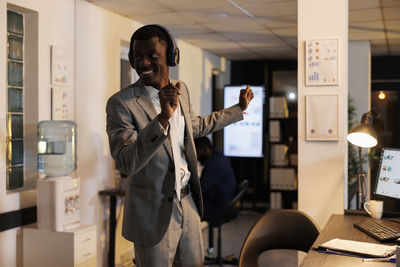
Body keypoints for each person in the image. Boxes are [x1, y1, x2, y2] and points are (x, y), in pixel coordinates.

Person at [106, 24, 253, 267]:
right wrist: (162, 118)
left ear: (171, 57)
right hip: (152, 212)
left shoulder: (180, 90)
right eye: (137, 57)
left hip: (188, 202)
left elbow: (194, 127)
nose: (143, 63)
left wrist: (237, 110)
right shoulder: (121, 103)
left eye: (152, 56)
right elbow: (125, 161)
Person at [194, 136, 237, 227]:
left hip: (218, 207)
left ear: (205, 150)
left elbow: (201, 188)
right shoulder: (218, 157)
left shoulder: (214, 162)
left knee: (187, 207)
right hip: (223, 202)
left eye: (197, 153)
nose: (196, 158)